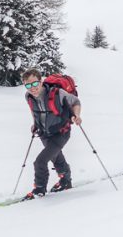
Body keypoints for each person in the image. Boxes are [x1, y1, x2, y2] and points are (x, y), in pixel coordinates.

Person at [22, 68, 82, 199]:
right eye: (28, 85)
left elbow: (76, 102)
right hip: (44, 133)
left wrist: (76, 115)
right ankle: (65, 180)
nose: (32, 88)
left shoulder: (57, 93)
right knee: (55, 156)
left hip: (61, 132)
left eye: (34, 83)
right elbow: (35, 111)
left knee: (40, 161)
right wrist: (35, 124)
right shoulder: (29, 96)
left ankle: (39, 189)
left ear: (41, 81)